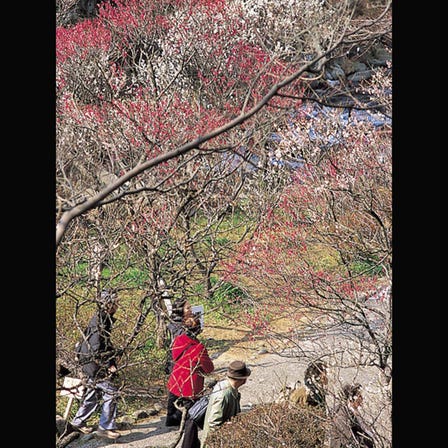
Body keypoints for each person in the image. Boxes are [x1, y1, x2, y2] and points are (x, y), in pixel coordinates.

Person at [70, 289, 122, 440]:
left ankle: (78, 421)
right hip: (94, 364)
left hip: (88, 363)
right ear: (109, 304)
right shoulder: (101, 322)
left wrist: (113, 356)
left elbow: (104, 345)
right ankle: (105, 427)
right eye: (115, 302)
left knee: (94, 391)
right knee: (111, 392)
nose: (117, 305)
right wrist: (108, 365)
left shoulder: (101, 318)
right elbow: (96, 347)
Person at [166, 315, 214, 428]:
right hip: (191, 385)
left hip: (176, 379)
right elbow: (209, 368)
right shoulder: (199, 348)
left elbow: (174, 356)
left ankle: (170, 422)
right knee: (190, 414)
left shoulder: (178, 340)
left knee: (173, 407)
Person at [200, 360, 251, 448]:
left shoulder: (228, 387)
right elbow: (214, 424)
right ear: (243, 379)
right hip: (215, 443)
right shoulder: (223, 395)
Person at [329, 383, 376, 448]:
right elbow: (349, 439)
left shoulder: (353, 413)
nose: (362, 399)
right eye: (359, 397)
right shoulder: (341, 415)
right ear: (351, 399)